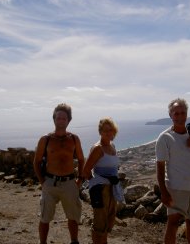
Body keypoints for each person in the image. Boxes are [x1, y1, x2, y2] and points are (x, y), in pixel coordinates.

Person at [156, 98, 190, 244]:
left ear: (187, 114)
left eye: (182, 113)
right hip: (176, 188)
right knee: (172, 223)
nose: (179, 116)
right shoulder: (165, 138)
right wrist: (164, 192)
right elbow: (159, 167)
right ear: (170, 115)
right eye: (176, 113)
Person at [33, 103, 85, 244]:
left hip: (69, 182)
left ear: (69, 120)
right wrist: (42, 182)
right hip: (50, 182)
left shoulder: (74, 139)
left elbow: (81, 159)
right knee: (45, 217)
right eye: (58, 117)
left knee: (73, 216)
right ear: (54, 119)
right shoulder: (45, 139)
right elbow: (36, 162)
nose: (61, 120)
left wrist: (80, 180)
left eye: (64, 118)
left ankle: (74, 241)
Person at [82, 117, 125, 244]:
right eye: (105, 130)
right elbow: (86, 171)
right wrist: (96, 183)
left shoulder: (112, 146)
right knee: (100, 223)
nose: (108, 132)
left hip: (112, 188)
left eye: (110, 130)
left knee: (109, 220)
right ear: (100, 132)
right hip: (102, 190)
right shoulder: (97, 148)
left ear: (114, 131)